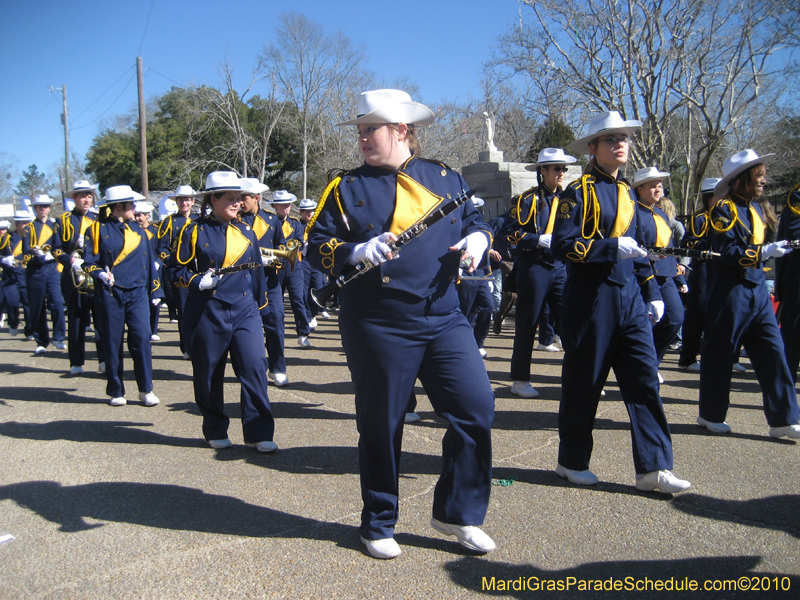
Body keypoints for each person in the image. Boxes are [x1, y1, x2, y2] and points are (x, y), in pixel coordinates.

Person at [306, 89, 496, 559]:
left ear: (402, 131)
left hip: (444, 314)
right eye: (361, 131)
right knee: (382, 423)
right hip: (379, 321)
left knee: (476, 408)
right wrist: (354, 251)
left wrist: (477, 237)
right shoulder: (345, 187)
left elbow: (479, 219)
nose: (363, 139)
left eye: (372, 129)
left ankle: (457, 512)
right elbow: (314, 245)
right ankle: (378, 521)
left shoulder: (444, 176)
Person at [551, 111, 691, 493]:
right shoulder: (576, 193)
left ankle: (654, 467)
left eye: (624, 138)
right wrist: (609, 248)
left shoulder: (630, 192)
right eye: (611, 138)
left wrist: (650, 292)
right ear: (593, 148)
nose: (620, 144)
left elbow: (642, 251)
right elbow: (563, 245)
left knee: (644, 378)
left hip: (629, 297)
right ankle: (571, 460)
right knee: (585, 382)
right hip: (591, 298)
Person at [699, 150, 800, 437]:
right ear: (741, 179)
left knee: (773, 353)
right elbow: (725, 251)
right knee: (721, 353)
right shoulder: (723, 209)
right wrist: (762, 252)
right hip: (733, 290)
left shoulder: (756, 209)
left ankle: (783, 419)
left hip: (757, 289)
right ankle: (710, 413)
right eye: (758, 175)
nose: (763, 181)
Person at [173, 171, 276, 452]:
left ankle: (259, 431)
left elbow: (256, 275)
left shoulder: (247, 231)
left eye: (239, 198)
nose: (237, 203)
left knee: (255, 366)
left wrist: (261, 309)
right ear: (213, 199)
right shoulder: (192, 230)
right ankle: (215, 427)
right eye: (230, 198)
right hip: (208, 311)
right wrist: (195, 281)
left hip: (245, 309)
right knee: (209, 372)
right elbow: (173, 270)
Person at [83, 185, 160, 407]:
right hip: (110, 293)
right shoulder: (96, 229)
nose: (135, 208)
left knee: (141, 338)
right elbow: (89, 262)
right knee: (112, 340)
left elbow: (149, 263)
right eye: (131, 204)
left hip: (137, 293)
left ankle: (146, 389)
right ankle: (116, 389)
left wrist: (155, 290)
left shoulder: (138, 230)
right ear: (119, 206)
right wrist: (100, 274)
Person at [507, 148, 575, 398]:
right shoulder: (528, 199)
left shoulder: (570, 199)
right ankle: (520, 379)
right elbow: (511, 233)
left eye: (564, 168)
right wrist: (537, 239)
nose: (562, 173)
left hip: (560, 266)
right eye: (557, 168)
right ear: (542, 171)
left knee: (569, 323)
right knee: (527, 323)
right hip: (534, 266)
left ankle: (579, 377)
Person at [632, 167, 685, 375]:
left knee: (675, 318)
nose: (658, 189)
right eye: (653, 185)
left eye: (660, 185)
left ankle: (651, 362)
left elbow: (670, 246)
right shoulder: (633, 212)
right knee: (645, 323)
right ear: (640, 189)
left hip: (667, 274)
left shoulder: (661, 213)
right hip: (645, 274)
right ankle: (641, 364)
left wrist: (680, 276)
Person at [237, 177, 288, 386]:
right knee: (250, 328)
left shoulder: (272, 220)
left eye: (244, 198)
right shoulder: (234, 221)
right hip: (245, 282)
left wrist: (273, 257)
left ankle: (278, 367)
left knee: (275, 321)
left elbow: (283, 248)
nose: (240, 202)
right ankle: (253, 368)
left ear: (256, 198)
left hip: (269, 280)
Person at [53, 180, 106, 375]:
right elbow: (55, 249)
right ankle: (76, 361)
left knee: (101, 317)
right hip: (73, 275)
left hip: (95, 272)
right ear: (74, 198)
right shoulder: (63, 220)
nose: (86, 199)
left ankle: (103, 359)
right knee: (76, 318)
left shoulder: (98, 218)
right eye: (82, 195)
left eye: (89, 195)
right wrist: (70, 260)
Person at [678, 178, 721, 371]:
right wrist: (713, 245)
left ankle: (717, 355)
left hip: (721, 268)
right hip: (703, 268)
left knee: (718, 312)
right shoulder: (700, 218)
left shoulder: (726, 215)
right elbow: (689, 244)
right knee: (698, 311)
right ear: (709, 197)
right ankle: (688, 357)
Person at [21, 195, 66, 354]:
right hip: (35, 270)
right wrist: (36, 256)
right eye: (40, 206)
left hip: (52, 267)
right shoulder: (29, 228)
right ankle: (41, 341)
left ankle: (59, 337)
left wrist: (55, 256)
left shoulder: (54, 225)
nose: (43, 209)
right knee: (38, 305)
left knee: (57, 302)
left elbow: (59, 245)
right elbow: (25, 252)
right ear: (35, 209)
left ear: (49, 208)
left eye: (46, 206)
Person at [267, 190, 313, 349]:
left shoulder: (295, 223)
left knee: (298, 299)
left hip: (294, 267)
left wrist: (287, 248)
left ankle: (303, 333)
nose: (286, 207)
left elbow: (299, 242)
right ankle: (276, 333)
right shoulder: (270, 222)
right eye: (283, 204)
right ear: (275, 206)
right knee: (276, 303)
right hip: (276, 267)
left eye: (288, 204)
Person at [157, 185, 196, 358]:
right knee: (184, 311)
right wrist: (171, 262)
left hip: (199, 271)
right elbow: (162, 247)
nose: (184, 202)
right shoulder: (169, 221)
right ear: (176, 202)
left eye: (187, 199)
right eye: (181, 199)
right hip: (180, 272)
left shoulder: (200, 220)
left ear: (193, 202)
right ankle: (186, 346)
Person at [775, 161, 800, 385]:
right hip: (797, 275)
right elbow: (793, 235)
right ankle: (786, 387)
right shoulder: (797, 195)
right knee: (793, 333)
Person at [134, 201, 164, 341]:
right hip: (139, 269)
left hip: (155, 269)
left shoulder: (156, 231)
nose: (138, 218)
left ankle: (153, 329)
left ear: (147, 215)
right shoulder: (133, 231)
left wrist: (158, 263)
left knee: (155, 299)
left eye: (140, 215)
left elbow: (162, 249)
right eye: (136, 215)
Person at [0, 211, 33, 336]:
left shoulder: (32, 237)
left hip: (26, 275)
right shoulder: (6, 238)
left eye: (27, 222)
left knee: (28, 304)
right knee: (12, 303)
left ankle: (29, 330)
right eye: (22, 222)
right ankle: (13, 322)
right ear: (17, 223)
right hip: (10, 276)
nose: (25, 225)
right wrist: (3, 260)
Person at [297, 198, 329, 327]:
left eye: (311, 211)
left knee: (317, 286)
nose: (309, 214)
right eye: (306, 211)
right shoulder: (297, 225)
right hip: (303, 260)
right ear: (301, 212)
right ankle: (308, 315)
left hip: (315, 259)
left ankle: (314, 313)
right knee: (303, 290)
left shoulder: (318, 225)